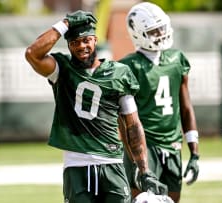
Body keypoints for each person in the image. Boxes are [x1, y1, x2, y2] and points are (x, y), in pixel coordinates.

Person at [25, 10, 167, 203]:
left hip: (112, 163)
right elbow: (32, 53)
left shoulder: (119, 73)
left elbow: (133, 125)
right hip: (77, 165)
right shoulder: (62, 69)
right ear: (68, 45)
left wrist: (144, 170)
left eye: (86, 40)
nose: (81, 46)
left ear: (95, 40)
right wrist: (65, 23)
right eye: (75, 42)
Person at [118, 2, 199, 203]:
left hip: (173, 146)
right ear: (138, 33)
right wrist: (135, 159)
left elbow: (186, 107)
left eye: (161, 28)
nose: (160, 34)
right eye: (153, 31)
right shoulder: (129, 66)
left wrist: (194, 153)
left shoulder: (177, 59)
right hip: (145, 147)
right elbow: (123, 120)